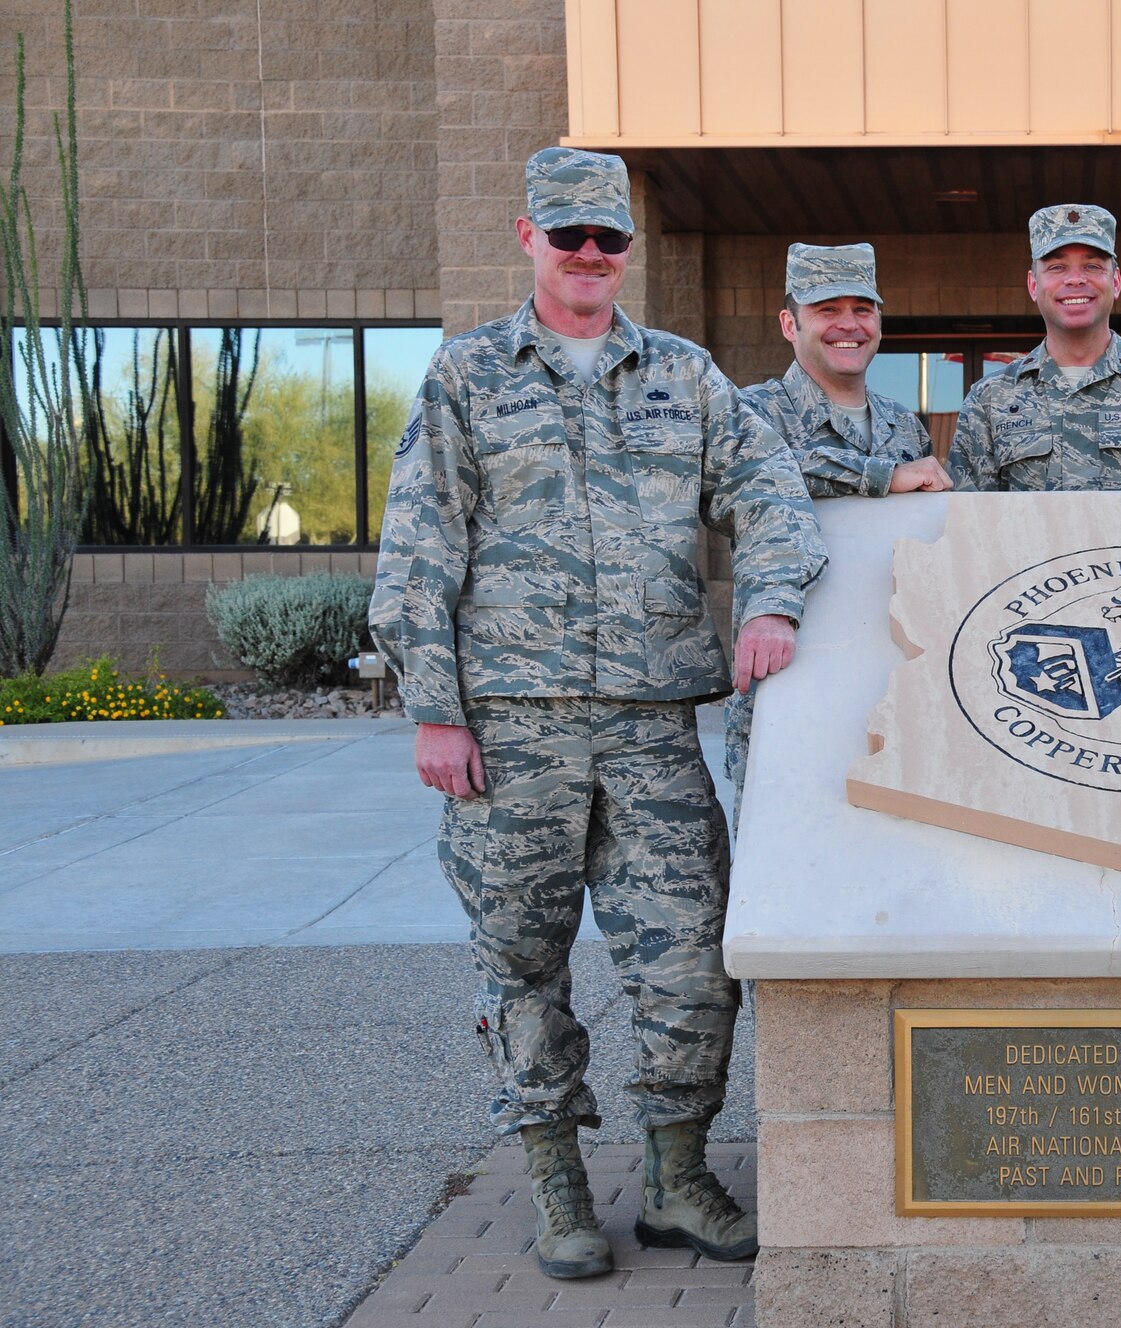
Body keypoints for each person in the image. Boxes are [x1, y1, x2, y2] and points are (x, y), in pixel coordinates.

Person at [369, 147, 826, 1279]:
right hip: (509, 726)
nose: (586, 255)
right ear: (528, 236)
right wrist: (434, 707)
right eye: (565, 234)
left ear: (627, 249)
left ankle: (675, 1177)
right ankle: (560, 1186)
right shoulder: (466, 375)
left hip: (649, 723)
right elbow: (419, 546)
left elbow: (769, 496)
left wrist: (769, 604)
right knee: (522, 959)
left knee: (691, 961)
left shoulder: (686, 375)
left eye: (605, 239)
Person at [724, 242, 949, 802]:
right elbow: (761, 469)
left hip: (888, 676)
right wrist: (882, 476)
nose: (848, 324)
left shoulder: (903, 424)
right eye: (827, 309)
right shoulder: (749, 410)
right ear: (788, 323)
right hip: (790, 676)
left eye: (862, 309)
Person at [949, 203, 1121, 490]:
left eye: (1092, 266)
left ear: (1115, 282)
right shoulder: (990, 398)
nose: (1075, 279)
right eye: (1056, 267)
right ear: (1033, 285)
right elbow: (968, 519)